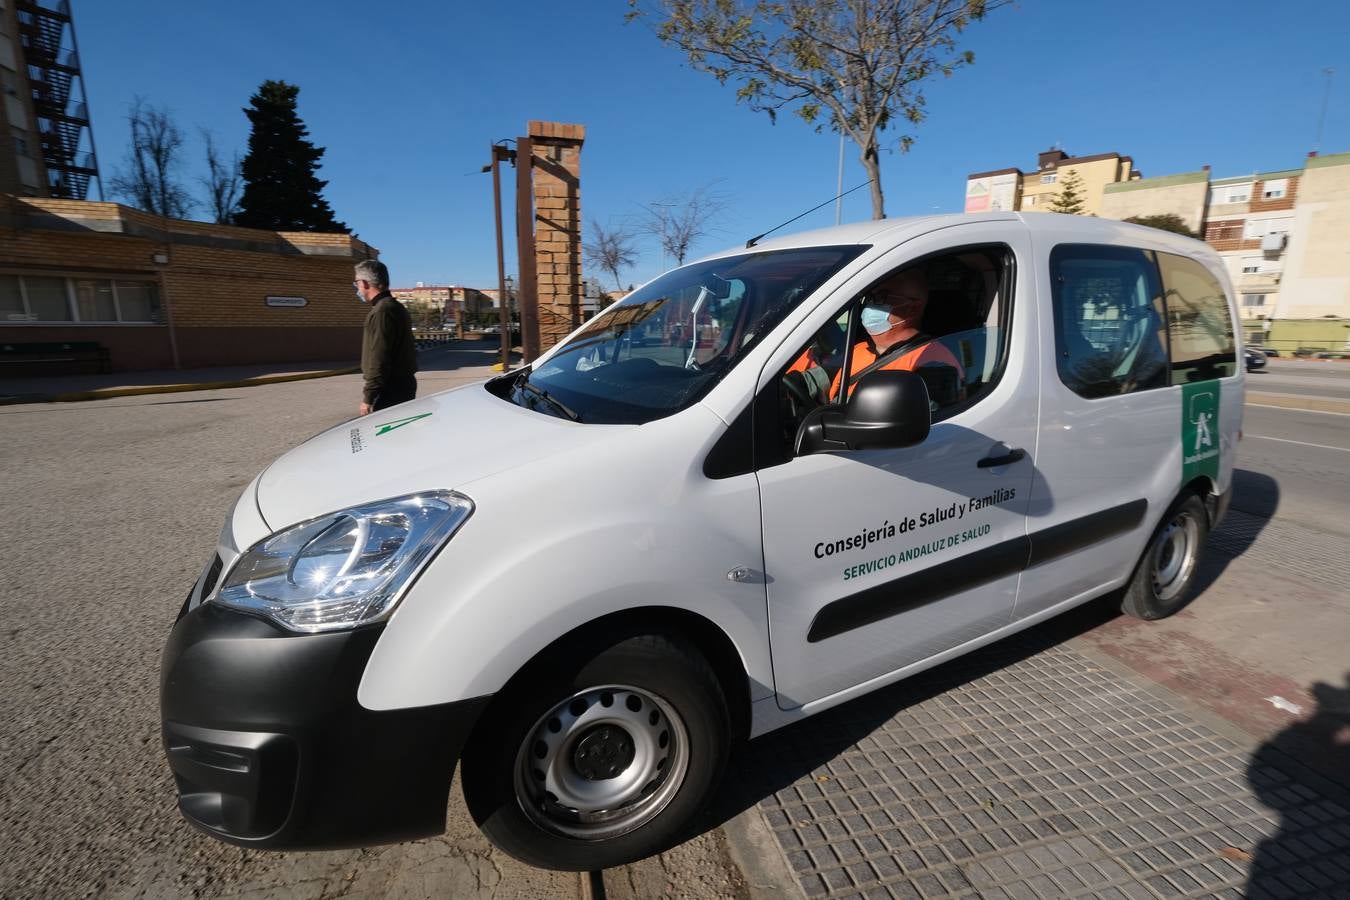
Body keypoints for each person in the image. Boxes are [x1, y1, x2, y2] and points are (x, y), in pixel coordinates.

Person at [828, 268, 965, 402]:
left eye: (882, 297)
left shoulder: (932, 360)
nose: (870, 305)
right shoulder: (859, 348)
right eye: (870, 297)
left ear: (913, 308)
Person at [354, 260, 418, 415]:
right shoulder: (394, 306)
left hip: (389, 389)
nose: (356, 288)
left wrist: (369, 397)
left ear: (365, 283)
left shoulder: (382, 311)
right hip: (401, 385)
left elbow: (379, 356)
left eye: (356, 283)